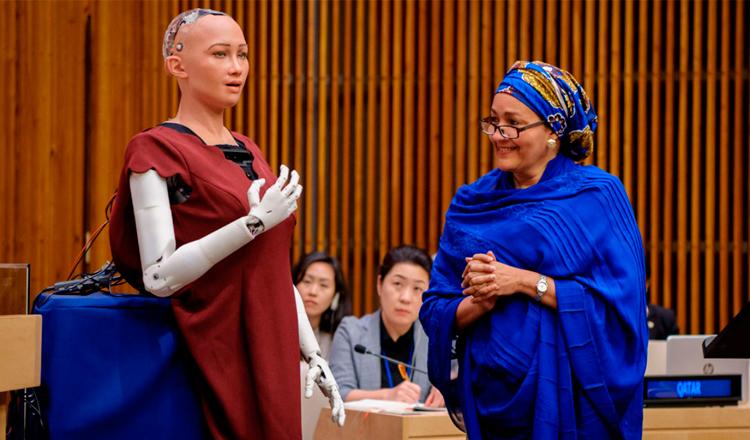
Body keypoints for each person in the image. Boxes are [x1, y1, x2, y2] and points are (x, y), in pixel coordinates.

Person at [108, 9, 344, 439]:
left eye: (243, 54)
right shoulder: (156, 150)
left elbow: (271, 266)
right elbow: (159, 275)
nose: (237, 68)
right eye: (220, 54)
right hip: (216, 347)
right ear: (177, 65)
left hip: (271, 346)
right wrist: (252, 223)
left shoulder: (251, 152)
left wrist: (311, 353)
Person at [420, 61, 647, 439]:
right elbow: (434, 307)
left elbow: (620, 310)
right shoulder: (470, 204)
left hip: (574, 402)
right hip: (493, 406)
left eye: (514, 123)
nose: (498, 134)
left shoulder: (597, 196)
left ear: (553, 132)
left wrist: (525, 282)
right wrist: (480, 301)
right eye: (493, 121)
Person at [329, 245, 444, 407]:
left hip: (418, 431)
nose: (405, 298)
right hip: (364, 431)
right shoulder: (351, 332)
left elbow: (459, 378)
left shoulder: (434, 335)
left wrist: (447, 391)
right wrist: (388, 395)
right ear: (379, 284)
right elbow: (338, 394)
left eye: (417, 288)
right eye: (398, 284)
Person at [293, 252, 352, 359]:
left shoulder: (339, 341)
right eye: (307, 281)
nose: (313, 291)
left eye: (323, 285)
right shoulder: (277, 332)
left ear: (336, 296)